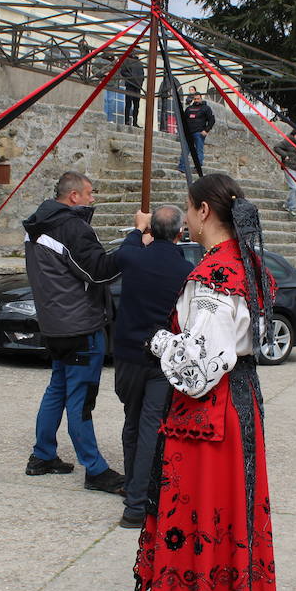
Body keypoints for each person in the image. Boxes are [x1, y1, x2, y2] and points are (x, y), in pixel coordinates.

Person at [135, 173, 279, 591]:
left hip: (210, 412)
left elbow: (199, 369)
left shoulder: (215, 276)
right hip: (237, 404)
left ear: (200, 211)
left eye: (188, 211)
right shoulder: (247, 264)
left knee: (212, 517)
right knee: (225, 517)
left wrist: (160, 343)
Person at [22, 171, 126, 494]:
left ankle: (42, 455)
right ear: (74, 197)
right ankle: (94, 469)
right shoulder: (72, 228)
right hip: (80, 326)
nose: (93, 198)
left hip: (54, 325)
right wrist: (133, 246)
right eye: (90, 193)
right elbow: (98, 272)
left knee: (57, 388)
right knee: (81, 399)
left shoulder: (36, 227)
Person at [111, 205, 192, 528]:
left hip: (128, 355)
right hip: (161, 358)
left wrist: (137, 228)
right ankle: (136, 504)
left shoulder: (134, 256)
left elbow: (124, 251)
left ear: (150, 232)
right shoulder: (184, 269)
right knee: (148, 428)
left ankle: (133, 486)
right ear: (179, 234)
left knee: (132, 423)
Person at [179, 91, 216, 174]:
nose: (196, 100)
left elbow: (212, 120)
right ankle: (182, 167)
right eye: (195, 99)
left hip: (199, 133)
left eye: (198, 99)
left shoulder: (206, 108)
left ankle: (197, 168)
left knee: (199, 151)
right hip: (188, 133)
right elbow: (183, 120)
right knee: (185, 150)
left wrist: (206, 130)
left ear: (201, 99)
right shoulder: (189, 109)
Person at [272, 133, 296, 215]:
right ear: (295, 135)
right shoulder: (287, 142)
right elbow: (276, 147)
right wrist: (285, 155)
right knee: (293, 187)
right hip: (289, 167)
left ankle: (287, 205)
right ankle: (292, 208)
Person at [120, 57, 144, 126]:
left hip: (137, 86)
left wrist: (140, 83)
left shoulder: (139, 63)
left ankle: (135, 122)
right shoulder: (127, 60)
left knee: (136, 106)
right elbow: (123, 72)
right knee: (128, 104)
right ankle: (127, 121)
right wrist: (132, 78)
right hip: (130, 85)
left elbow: (142, 75)